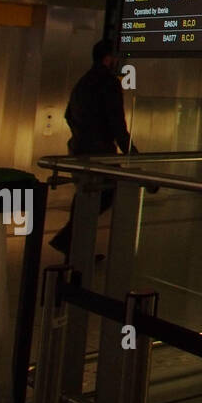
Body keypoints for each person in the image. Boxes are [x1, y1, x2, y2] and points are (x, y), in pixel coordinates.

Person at [49, 39, 136, 257]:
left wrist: (81, 135)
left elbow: (68, 115)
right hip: (99, 153)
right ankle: (69, 240)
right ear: (109, 57)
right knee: (104, 193)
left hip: (79, 148)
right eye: (117, 57)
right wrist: (130, 151)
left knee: (86, 195)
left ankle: (76, 246)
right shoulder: (108, 82)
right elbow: (117, 121)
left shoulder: (83, 81)